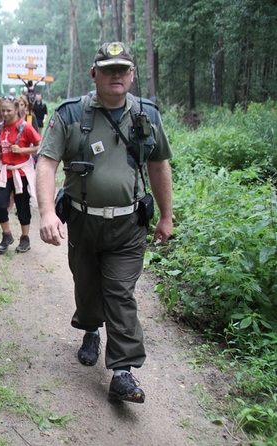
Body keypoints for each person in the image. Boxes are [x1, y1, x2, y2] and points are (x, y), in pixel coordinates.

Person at [36, 42, 173, 403]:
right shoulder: (70, 115)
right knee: (87, 285)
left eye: (123, 69)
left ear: (131, 74)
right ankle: (91, 329)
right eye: (108, 69)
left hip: (129, 224)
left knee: (120, 292)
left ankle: (123, 371)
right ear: (94, 73)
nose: (116, 75)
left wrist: (167, 216)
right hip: (83, 221)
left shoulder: (148, 115)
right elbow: (47, 162)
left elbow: (159, 165)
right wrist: (47, 212)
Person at [0, 95, 41, 254]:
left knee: (23, 206)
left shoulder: (25, 127)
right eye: (2, 110)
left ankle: (25, 238)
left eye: (8, 110)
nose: (5, 113)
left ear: (17, 110)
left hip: (21, 173)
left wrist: (23, 150)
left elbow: (40, 146)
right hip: (5, 172)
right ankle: (7, 235)